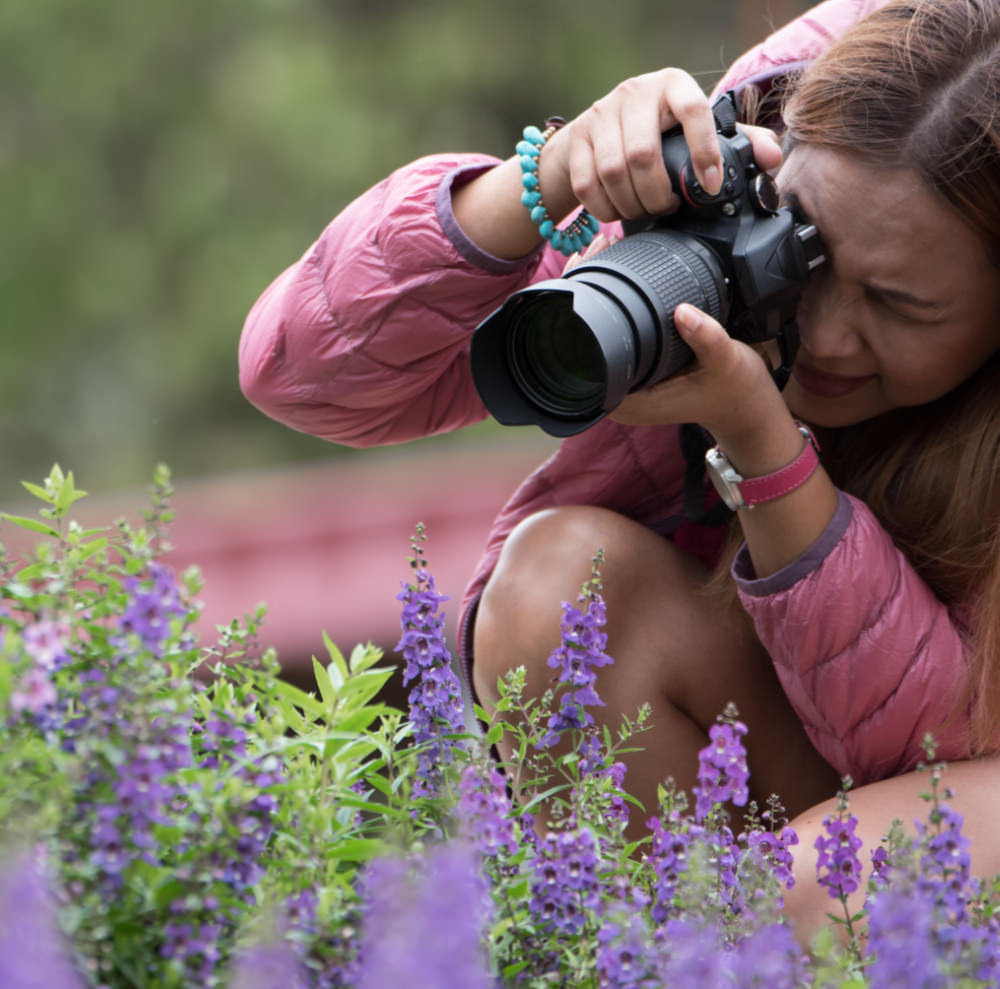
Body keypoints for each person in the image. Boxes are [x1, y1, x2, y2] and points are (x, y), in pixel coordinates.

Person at [239, 0, 1000, 940]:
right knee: (569, 584)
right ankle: (642, 953)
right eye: (807, 252)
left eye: (898, 303)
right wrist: (550, 178)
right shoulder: (743, 176)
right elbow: (305, 378)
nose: (828, 333)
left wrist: (764, 448)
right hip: (821, 745)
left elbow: (935, 746)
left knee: (821, 887)